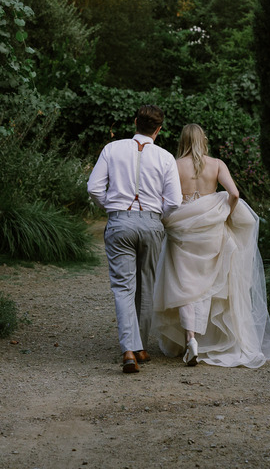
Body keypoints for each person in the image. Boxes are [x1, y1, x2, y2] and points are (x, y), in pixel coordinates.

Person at [153, 123, 270, 368]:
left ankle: (191, 339)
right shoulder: (217, 164)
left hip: (183, 233)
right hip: (211, 233)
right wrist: (223, 212)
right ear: (203, 140)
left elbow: (164, 199)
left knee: (185, 286)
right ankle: (210, 338)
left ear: (182, 141)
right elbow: (235, 194)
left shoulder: (173, 165)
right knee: (209, 284)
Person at [87, 105, 182, 373]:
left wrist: (112, 208)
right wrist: (156, 217)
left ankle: (129, 349)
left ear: (134, 123)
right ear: (158, 130)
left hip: (120, 222)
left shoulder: (112, 149)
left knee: (123, 287)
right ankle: (140, 348)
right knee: (147, 285)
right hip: (151, 223)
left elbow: (93, 188)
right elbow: (174, 201)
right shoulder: (165, 157)